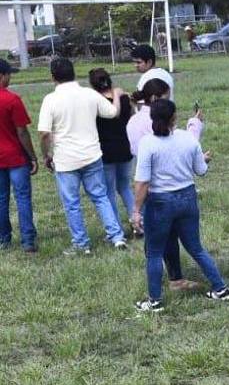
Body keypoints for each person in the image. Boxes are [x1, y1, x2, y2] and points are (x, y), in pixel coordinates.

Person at [132, 99, 229, 312]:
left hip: (160, 202)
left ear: (152, 118)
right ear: (174, 117)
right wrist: (203, 159)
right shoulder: (188, 139)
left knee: (155, 253)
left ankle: (155, 301)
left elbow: (142, 182)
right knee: (195, 248)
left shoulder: (148, 143)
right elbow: (201, 170)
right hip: (187, 198)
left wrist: (136, 211)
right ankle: (221, 288)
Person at [37, 57, 127, 254]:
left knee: (72, 204)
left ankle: (81, 243)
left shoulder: (50, 100)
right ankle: (117, 236)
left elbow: (44, 133)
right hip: (92, 155)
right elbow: (112, 113)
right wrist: (117, 95)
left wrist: (46, 154)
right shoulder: (89, 94)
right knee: (101, 197)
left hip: (66, 160)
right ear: (74, 73)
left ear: (53, 78)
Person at [127, 77, 204, 291]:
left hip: (152, 188)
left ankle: (160, 285)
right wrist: (195, 126)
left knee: (157, 239)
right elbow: (179, 145)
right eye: (166, 100)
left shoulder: (134, 122)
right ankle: (172, 279)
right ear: (155, 99)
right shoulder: (155, 130)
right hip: (167, 189)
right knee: (166, 239)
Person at [89, 68, 137, 237]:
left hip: (106, 152)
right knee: (124, 187)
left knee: (108, 191)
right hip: (125, 147)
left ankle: (116, 228)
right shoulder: (123, 98)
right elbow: (131, 116)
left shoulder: (95, 103)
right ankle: (138, 222)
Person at [0, 58, 38, 252]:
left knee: (1, 198)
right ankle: (28, 240)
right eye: (8, 75)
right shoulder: (12, 99)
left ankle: (4, 238)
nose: (10, 78)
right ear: (2, 76)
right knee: (22, 197)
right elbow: (22, 131)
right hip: (15, 157)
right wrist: (32, 156)